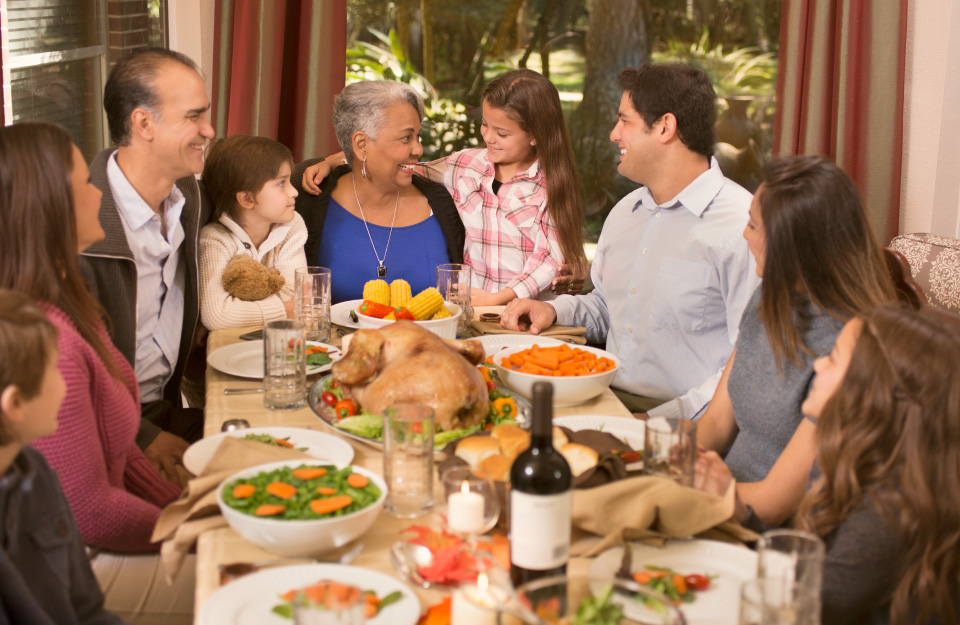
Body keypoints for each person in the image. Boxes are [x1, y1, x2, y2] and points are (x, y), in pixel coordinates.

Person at [0, 121, 193, 625]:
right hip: (74, 567)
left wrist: (181, 507)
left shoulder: (70, 303)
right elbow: (88, 510)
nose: (96, 191)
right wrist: (191, 530)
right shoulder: (51, 339)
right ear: (49, 207)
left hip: (99, 539)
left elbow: (118, 448)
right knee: (251, 579)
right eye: (81, 181)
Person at [500, 62, 760, 418]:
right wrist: (552, 309)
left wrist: (659, 422)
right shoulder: (626, 213)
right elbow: (610, 308)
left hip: (686, 421)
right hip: (602, 397)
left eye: (625, 121)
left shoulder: (742, 227)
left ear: (665, 127)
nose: (613, 134)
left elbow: (748, 363)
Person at [697, 305, 960, 625]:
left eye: (833, 358)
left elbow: (799, 608)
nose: (818, 363)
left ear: (870, 396)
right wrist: (736, 507)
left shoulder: (885, 519)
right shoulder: (846, 458)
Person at [694, 155, 895, 526]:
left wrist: (689, 490)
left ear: (793, 248)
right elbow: (715, 426)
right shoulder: (770, 295)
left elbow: (773, 504)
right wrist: (650, 456)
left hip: (763, 531)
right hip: (715, 497)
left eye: (753, 226)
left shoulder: (849, 350)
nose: (744, 235)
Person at [303, 69, 587, 305]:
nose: (488, 137)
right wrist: (331, 161)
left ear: (536, 136)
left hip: (524, 313)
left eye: (501, 133)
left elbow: (551, 259)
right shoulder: (467, 167)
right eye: (485, 125)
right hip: (475, 316)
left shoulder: (549, 186)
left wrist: (500, 298)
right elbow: (405, 164)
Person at [79, 47, 215, 483]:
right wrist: (140, 437)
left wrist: (337, 163)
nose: (208, 130)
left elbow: (253, 183)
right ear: (143, 123)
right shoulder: (79, 226)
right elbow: (62, 382)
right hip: (102, 443)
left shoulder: (187, 197)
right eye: (194, 117)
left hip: (165, 414)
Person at [0, 290, 125, 625]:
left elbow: (87, 611)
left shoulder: (35, 471)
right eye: (54, 369)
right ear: (14, 405)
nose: (65, 383)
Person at [292, 80, 465, 304]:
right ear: (362, 145)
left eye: (418, 137)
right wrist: (328, 162)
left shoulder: (444, 203)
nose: (419, 149)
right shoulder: (306, 202)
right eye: (406, 138)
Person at [199, 135, 307, 330]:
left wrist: (240, 307)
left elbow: (299, 297)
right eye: (282, 183)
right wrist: (285, 311)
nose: (294, 191)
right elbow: (217, 316)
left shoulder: (292, 225)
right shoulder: (214, 239)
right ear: (247, 199)